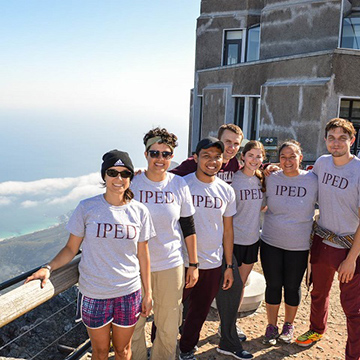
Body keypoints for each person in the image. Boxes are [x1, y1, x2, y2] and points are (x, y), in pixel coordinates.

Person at [25, 150, 154, 360]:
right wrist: (47, 268)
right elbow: (70, 249)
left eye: (125, 174)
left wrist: (147, 293)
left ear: (130, 178)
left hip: (128, 292)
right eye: (113, 172)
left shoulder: (140, 211)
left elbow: (143, 253)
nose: (118, 179)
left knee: (123, 351)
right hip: (94, 293)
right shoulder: (87, 208)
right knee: (100, 352)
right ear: (104, 176)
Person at [171, 124, 249, 357]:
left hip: (213, 263)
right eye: (206, 156)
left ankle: (186, 349)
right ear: (195, 158)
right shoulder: (181, 184)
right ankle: (160, 348)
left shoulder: (226, 191)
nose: (212, 161)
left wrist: (227, 266)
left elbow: (227, 232)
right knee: (171, 310)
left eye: (217, 157)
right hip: (181, 261)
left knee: (199, 312)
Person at [130, 127, 199, 360]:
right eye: (154, 153)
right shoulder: (132, 185)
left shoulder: (179, 185)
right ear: (146, 154)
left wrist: (194, 264)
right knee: (134, 324)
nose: (160, 159)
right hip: (135, 266)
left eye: (166, 154)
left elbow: (188, 227)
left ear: (172, 156)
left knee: (169, 325)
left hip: (171, 263)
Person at [296, 118, 360, 360]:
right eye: (331, 138)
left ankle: (354, 355)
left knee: (353, 308)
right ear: (325, 140)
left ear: (351, 141)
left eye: (342, 138)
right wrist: (271, 170)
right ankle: (316, 329)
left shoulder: (359, 170)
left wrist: (352, 258)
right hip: (323, 240)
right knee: (318, 292)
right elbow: (303, 180)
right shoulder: (322, 163)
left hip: (350, 246)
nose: (336, 143)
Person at [260, 140, 317, 345]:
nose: (288, 161)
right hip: (271, 242)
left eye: (292, 156)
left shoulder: (312, 180)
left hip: (299, 246)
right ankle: (271, 325)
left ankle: (288, 325)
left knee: (292, 287)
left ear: (300, 158)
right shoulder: (271, 178)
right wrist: (267, 168)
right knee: (273, 285)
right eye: (283, 156)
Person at [231, 141, 266, 320]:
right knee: (230, 284)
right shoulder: (233, 180)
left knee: (242, 284)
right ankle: (226, 321)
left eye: (258, 156)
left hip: (252, 240)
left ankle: (230, 324)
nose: (254, 159)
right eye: (250, 155)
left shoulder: (262, 179)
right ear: (242, 156)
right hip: (234, 240)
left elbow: (263, 206)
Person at [171, 123, 243, 184]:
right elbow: (169, 178)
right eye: (228, 141)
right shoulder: (196, 162)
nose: (232, 147)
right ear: (219, 140)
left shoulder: (234, 163)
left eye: (236, 143)